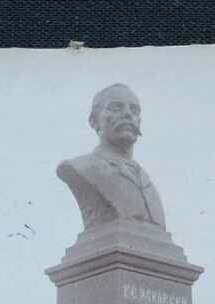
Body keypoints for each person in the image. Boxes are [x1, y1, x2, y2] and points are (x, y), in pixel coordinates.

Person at [57, 84, 166, 231]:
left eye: (134, 110)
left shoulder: (147, 182)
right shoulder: (82, 167)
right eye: (116, 108)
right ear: (94, 121)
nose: (128, 114)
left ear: (139, 121)